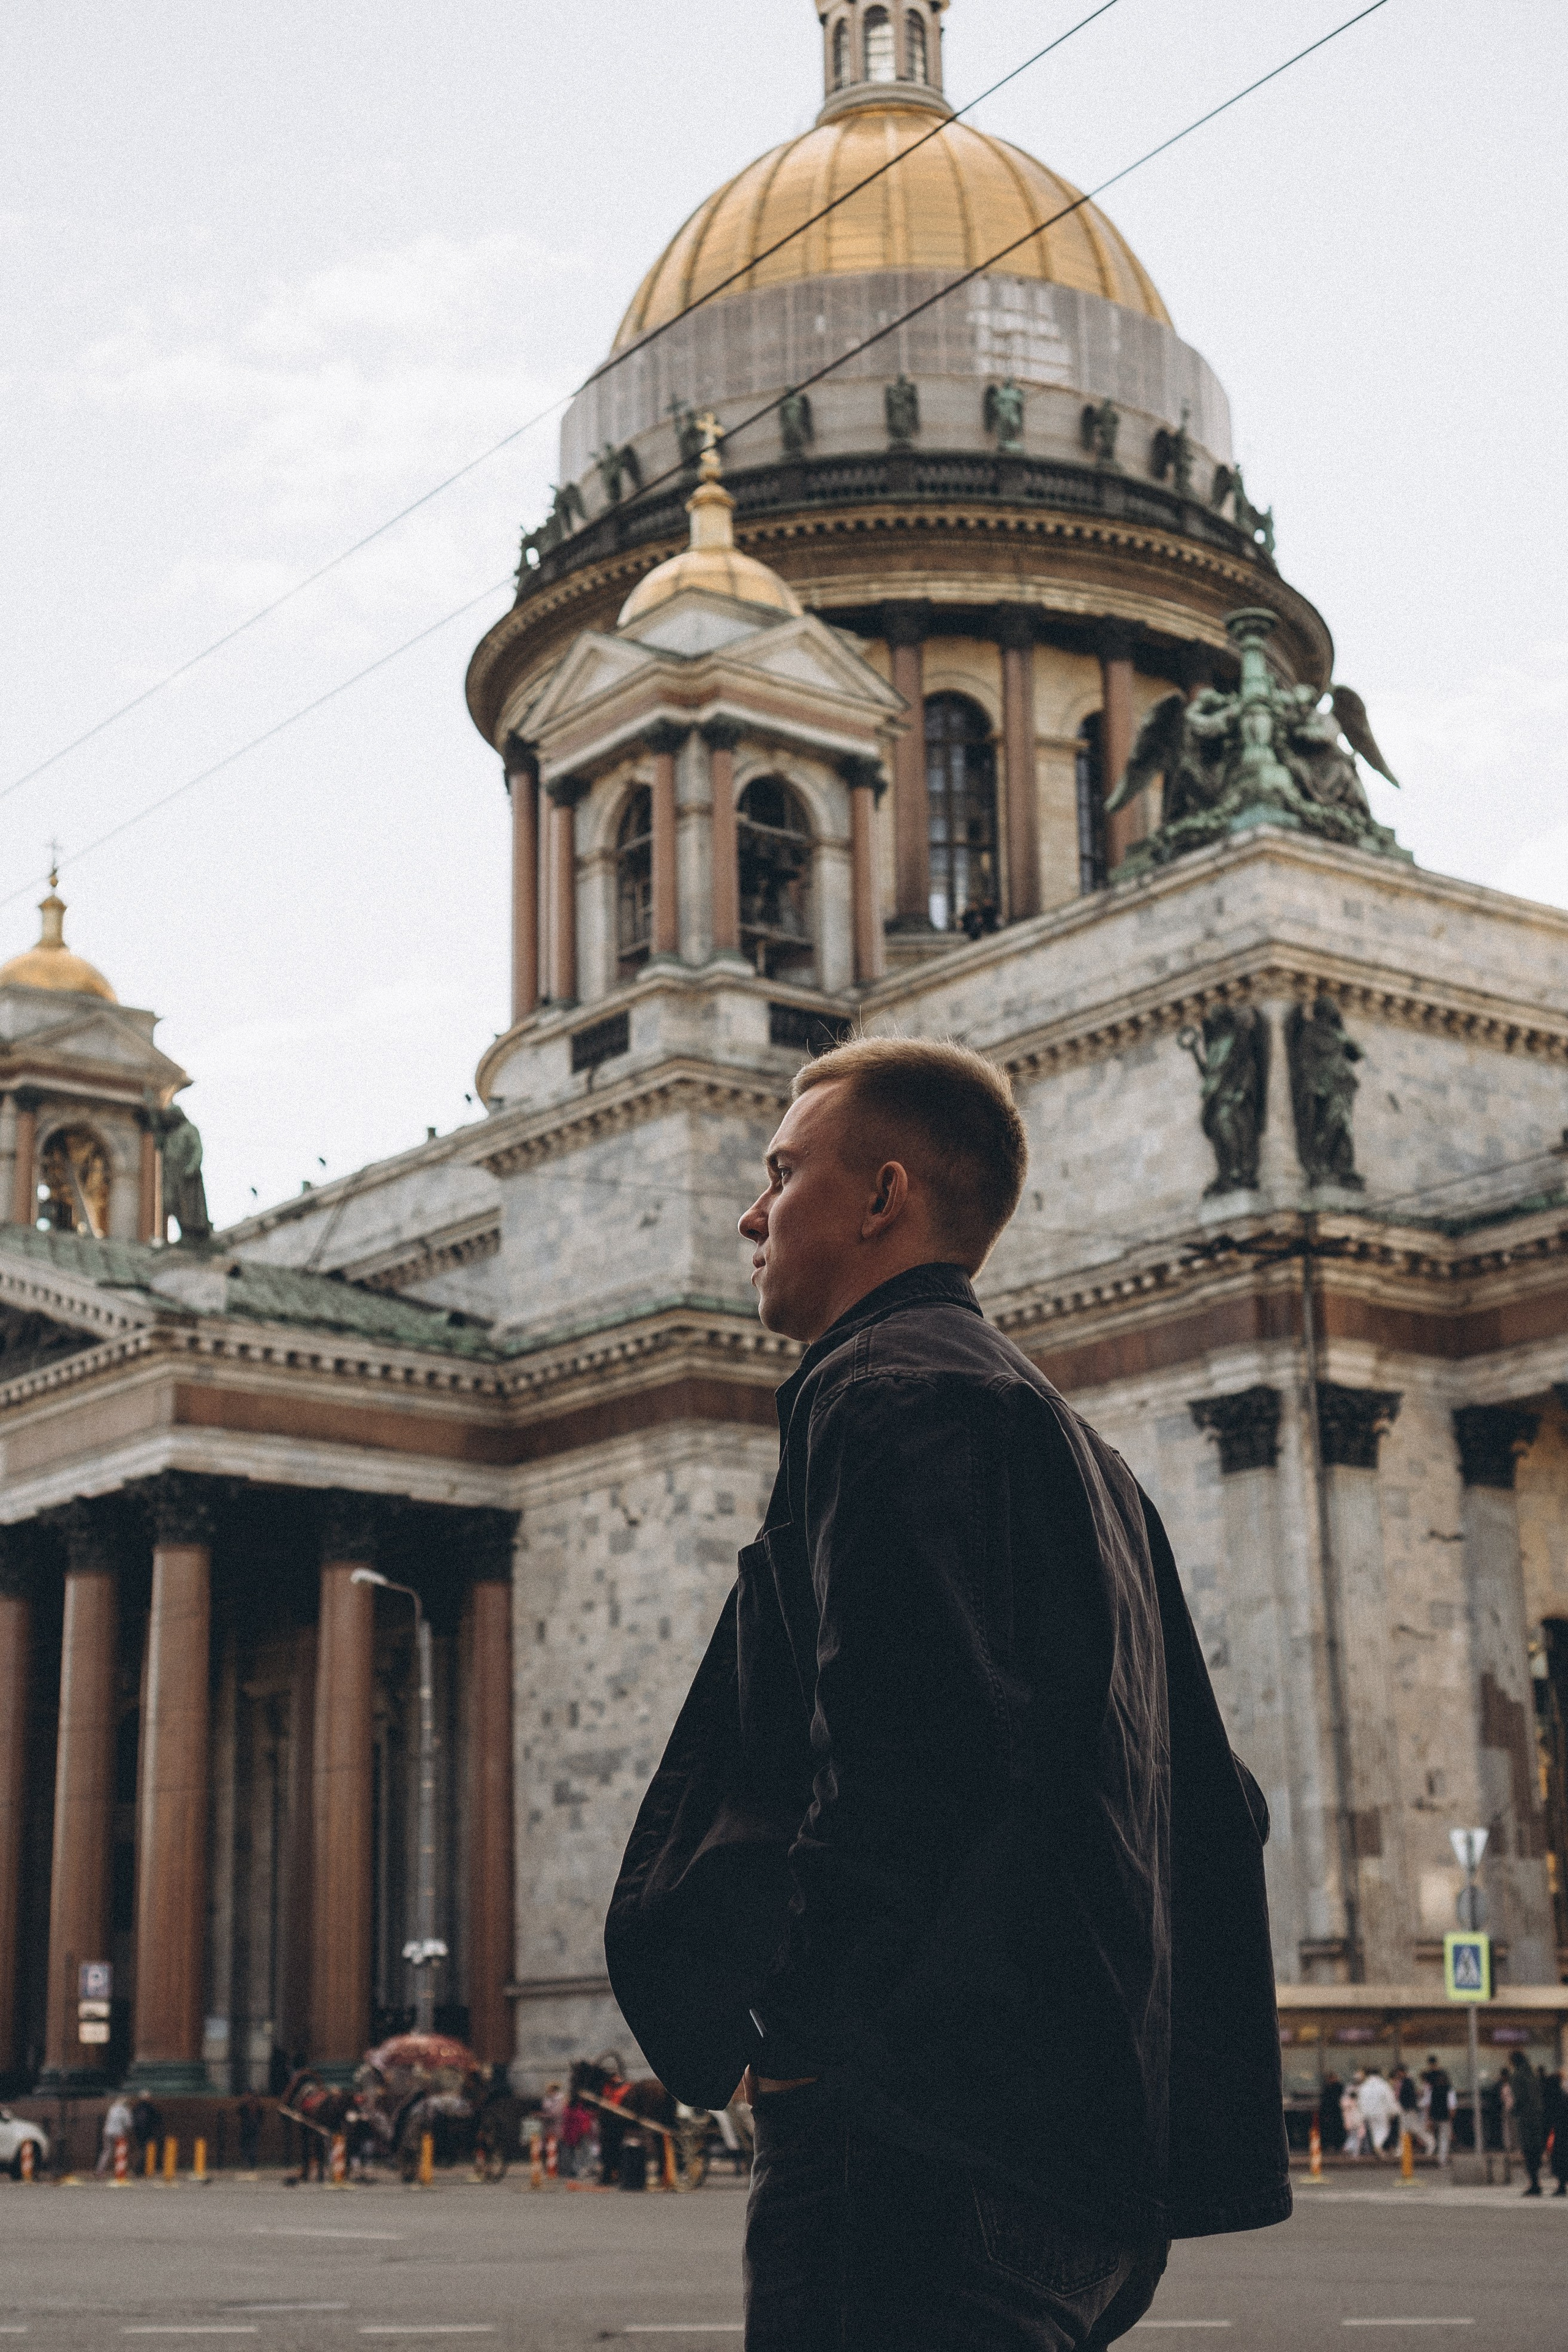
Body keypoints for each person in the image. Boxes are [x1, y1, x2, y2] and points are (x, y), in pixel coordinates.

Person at [605, 1039, 1291, 2352]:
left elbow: (905, 1754)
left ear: (882, 1198)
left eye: (781, 1173)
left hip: (921, 2133)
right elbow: (1211, 1801)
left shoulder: (887, 1394)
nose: (750, 1216)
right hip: (1076, 2141)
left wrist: (801, 2037)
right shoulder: (1073, 1447)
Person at [1504, 2051, 1545, 2195]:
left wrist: (1514, 2111)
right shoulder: (1533, 2075)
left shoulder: (1517, 2076)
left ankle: (1534, 2183)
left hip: (1526, 2118)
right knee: (1536, 2149)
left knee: (1528, 2150)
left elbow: (1520, 2099)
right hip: (1539, 2116)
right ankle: (1536, 2182)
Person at [1357, 2067, 1398, 2160]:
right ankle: (1378, 2145)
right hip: (1381, 2112)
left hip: (1368, 2113)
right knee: (1383, 2130)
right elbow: (1389, 2099)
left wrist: (1362, 2114)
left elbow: (1360, 2102)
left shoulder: (1364, 2086)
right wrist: (1393, 2111)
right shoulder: (1383, 2085)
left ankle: (1377, 2146)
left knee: (1374, 2131)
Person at [1421, 2056, 1453, 2166]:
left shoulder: (1432, 2089)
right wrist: (1451, 2118)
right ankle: (1442, 2160)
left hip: (1435, 2116)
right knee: (1444, 2139)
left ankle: (1433, 2152)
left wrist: (1429, 2117)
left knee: (1436, 2137)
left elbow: (1428, 2104)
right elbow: (1452, 2106)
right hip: (1444, 2117)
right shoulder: (1449, 2090)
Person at [96, 2092, 134, 2176]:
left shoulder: (113, 2108)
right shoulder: (125, 2110)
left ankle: (100, 2170)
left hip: (107, 2131)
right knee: (121, 2151)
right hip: (119, 2132)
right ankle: (120, 2171)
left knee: (107, 2151)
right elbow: (129, 2124)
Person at [1317, 2071, 1346, 2155]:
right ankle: (1337, 2145)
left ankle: (1332, 2145)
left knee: (1331, 2130)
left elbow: (1324, 2102)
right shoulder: (1339, 2088)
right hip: (1336, 2113)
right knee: (1336, 2129)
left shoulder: (1328, 2088)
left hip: (1331, 2113)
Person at [236, 2092, 264, 2172]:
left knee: (253, 2147)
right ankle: (247, 2163)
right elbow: (239, 2112)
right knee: (244, 2146)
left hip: (254, 2129)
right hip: (245, 2129)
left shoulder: (258, 2108)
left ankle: (252, 2164)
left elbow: (261, 2118)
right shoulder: (244, 2107)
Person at [1341, 2075, 1366, 2159]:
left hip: (1350, 2121)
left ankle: (1349, 2148)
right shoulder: (1358, 2099)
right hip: (1357, 2121)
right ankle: (1353, 2152)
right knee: (1357, 2137)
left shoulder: (1346, 2100)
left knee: (1353, 2136)